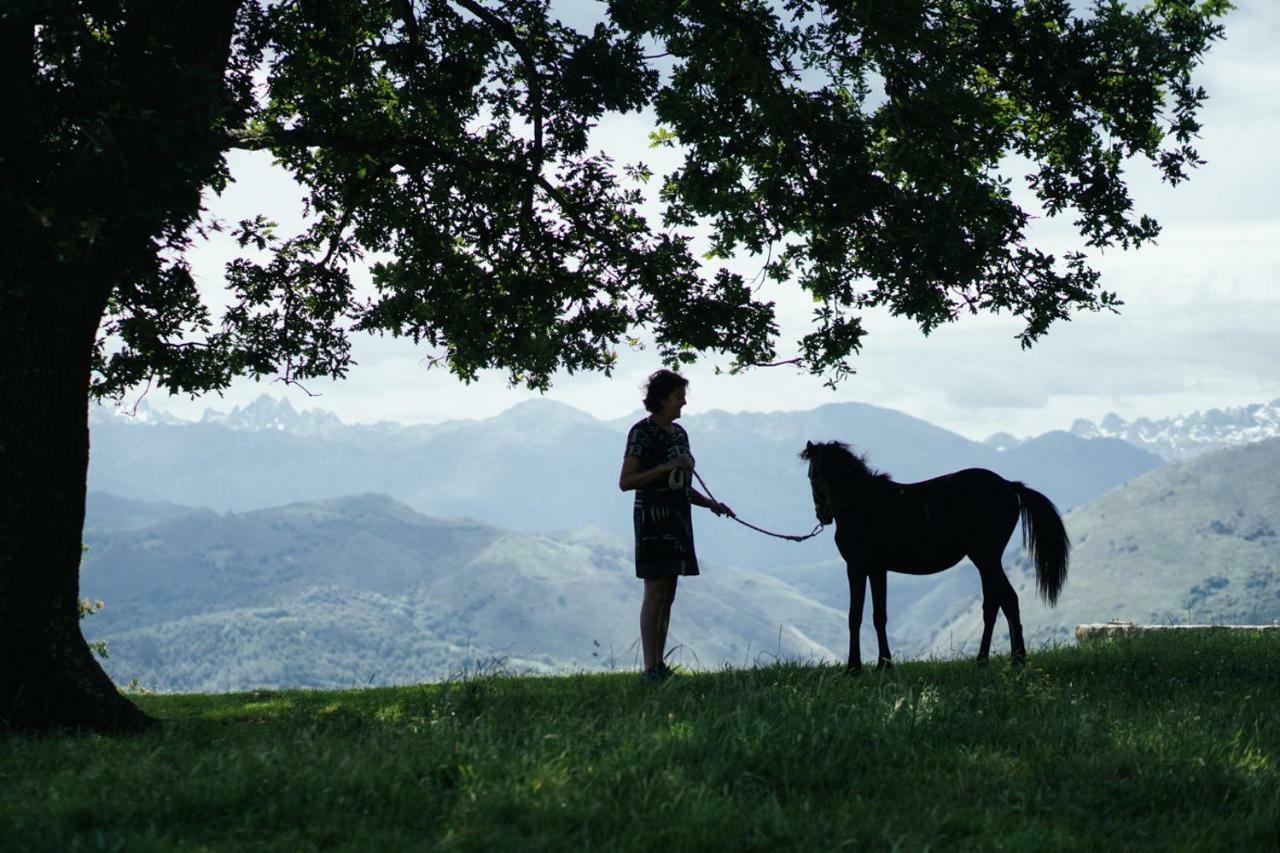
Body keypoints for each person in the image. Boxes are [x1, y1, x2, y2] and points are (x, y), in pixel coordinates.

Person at [618, 369, 733, 683]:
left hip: (678, 519)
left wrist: (710, 503)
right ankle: (650, 667)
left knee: (668, 592)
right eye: (679, 396)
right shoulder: (641, 433)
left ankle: (658, 667)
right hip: (653, 521)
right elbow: (626, 481)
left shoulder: (680, 434)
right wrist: (668, 466)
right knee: (655, 591)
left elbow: (680, 483)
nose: (683, 403)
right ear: (663, 398)